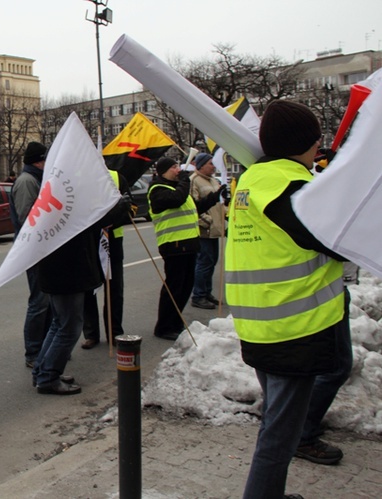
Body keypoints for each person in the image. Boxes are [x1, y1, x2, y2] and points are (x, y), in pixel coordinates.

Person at [226, 100, 352, 499]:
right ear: (306, 143)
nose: (320, 147)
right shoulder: (292, 189)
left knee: (278, 427)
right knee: (279, 436)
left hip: (264, 325)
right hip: (294, 330)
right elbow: (337, 243)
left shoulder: (255, 179)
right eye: (317, 141)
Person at [32, 194, 131, 395]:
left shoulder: (55, 196)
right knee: (68, 329)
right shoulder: (66, 202)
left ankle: (42, 371)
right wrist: (119, 207)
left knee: (59, 324)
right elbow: (92, 222)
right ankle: (48, 376)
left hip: (59, 272)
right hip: (67, 273)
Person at [147, 157, 224, 341]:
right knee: (174, 287)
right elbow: (177, 199)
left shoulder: (178, 189)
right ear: (163, 171)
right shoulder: (157, 190)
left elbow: (196, 207)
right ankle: (164, 327)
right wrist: (185, 180)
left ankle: (176, 321)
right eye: (174, 167)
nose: (178, 169)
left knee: (185, 286)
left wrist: (217, 195)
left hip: (188, 244)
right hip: (174, 245)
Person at [9, 141, 51, 368]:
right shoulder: (27, 181)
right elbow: (29, 219)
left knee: (48, 301)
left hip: (43, 248)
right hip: (34, 250)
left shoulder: (36, 178)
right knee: (39, 302)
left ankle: (47, 346)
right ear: (39, 160)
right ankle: (33, 353)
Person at [81, 169, 130, 349]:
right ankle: (91, 334)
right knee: (88, 291)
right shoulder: (79, 178)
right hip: (89, 243)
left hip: (112, 243)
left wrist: (112, 220)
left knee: (115, 291)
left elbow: (129, 207)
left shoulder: (117, 177)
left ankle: (114, 332)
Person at [189, 152, 228, 310]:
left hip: (216, 229)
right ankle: (198, 295)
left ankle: (207, 292)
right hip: (204, 229)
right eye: (210, 163)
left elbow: (219, 203)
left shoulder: (213, 180)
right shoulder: (193, 181)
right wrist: (207, 221)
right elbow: (193, 207)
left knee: (212, 262)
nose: (213, 166)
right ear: (201, 165)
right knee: (204, 263)